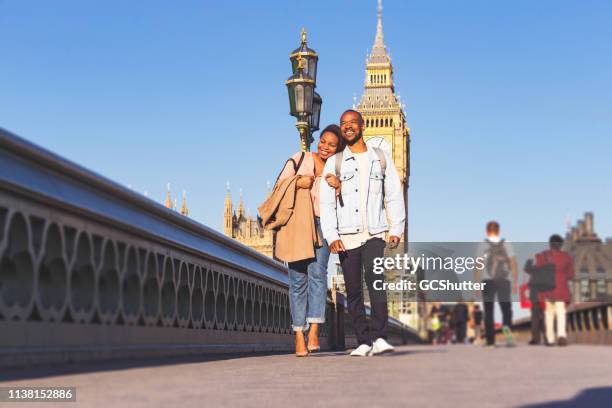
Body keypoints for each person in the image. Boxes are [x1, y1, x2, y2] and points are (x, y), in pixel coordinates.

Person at [320, 109, 405, 357]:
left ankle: (380, 338)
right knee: (353, 289)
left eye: (353, 123)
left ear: (363, 125)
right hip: (346, 235)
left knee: (376, 282)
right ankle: (363, 341)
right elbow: (326, 204)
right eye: (344, 123)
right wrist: (331, 235)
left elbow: (394, 195)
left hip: (375, 233)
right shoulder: (334, 163)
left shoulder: (381, 157)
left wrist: (396, 227)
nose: (348, 127)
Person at [269, 125, 344, 357]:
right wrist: (298, 182)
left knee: (318, 275)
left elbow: (350, 204)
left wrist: (339, 187)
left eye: (332, 145)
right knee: (298, 280)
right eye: (323, 141)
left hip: (323, 225)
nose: (325, 147)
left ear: (338, 149)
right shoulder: (299, 158)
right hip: (298, 224)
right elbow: (278, 186)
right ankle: (299, 336)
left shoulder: (339, 170)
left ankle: (314, 329)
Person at [475, 221, 518, 347]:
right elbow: (513, 263)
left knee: (488, 310)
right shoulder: (506, 243)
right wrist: (515, 281)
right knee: (506, 308)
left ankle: (490, 341)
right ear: (499, 230)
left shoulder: (482, 245)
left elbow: (478, 265)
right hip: (503, 280)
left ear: (487, 231)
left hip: (487, 280)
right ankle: (508, 333)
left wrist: (477, 284)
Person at [533, 234, 575, 346]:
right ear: (561, 245)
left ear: (550, 244)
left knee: (549, 314)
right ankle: (561, 336)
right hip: (561, 288)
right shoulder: (566, 257)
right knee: (561, 312)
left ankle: (550, 339)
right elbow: (571, 275)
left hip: (546, 289)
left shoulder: (542, 256)